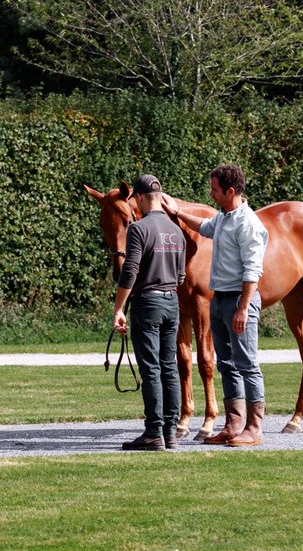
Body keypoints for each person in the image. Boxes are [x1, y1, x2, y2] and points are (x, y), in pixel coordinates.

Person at [166, 164, 269, 447]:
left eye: (214, 189)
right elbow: (204, 226)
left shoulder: (248, 225)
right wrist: (177, 213)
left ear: (230, 191)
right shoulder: (224, 218)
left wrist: (243, 308)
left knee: (247, 364)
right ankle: (233, 424)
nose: (210, 194)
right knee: (226, 364)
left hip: (239, 299)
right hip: (220, 298)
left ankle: (254, 428)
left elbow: (252, 270)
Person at [112, 173, 186, 451]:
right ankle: (170, 432)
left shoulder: (138, 229)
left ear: (140, 198)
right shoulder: (176, 230)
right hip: (172, 303)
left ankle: (153, 432)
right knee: (170, 367)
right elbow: (181, 276)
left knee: (151, 368)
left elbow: (130, 270)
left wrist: (119, 308)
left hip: (148, 303)